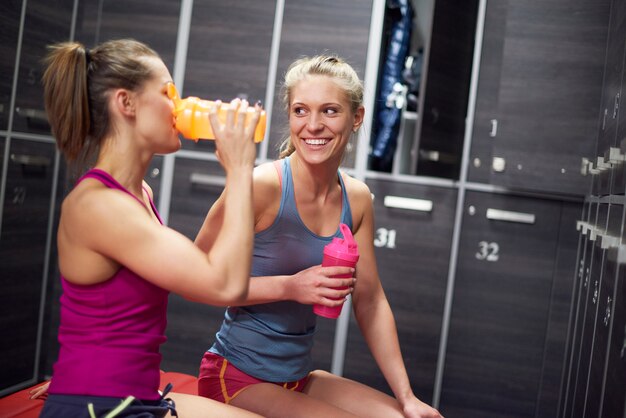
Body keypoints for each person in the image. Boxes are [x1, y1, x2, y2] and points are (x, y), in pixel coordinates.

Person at [194, 55, 443, 418]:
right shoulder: (262, 186)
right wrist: (290, 287)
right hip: (235, 377)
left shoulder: (356, 199)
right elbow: (195, 275)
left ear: (356, 117)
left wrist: (407, 397)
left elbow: (370, 302)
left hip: (297, 377)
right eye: (300, 111)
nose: (313, 125)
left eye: (329, 111)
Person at [38, 38, 265, 418]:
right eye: (168, 93)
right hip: (101, 407)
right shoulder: (99, 206)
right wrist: (240, 170)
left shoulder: (137, 193)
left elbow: (203, 265)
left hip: (135, 396)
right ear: (125, 103)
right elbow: (226, 284)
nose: (178, 105)